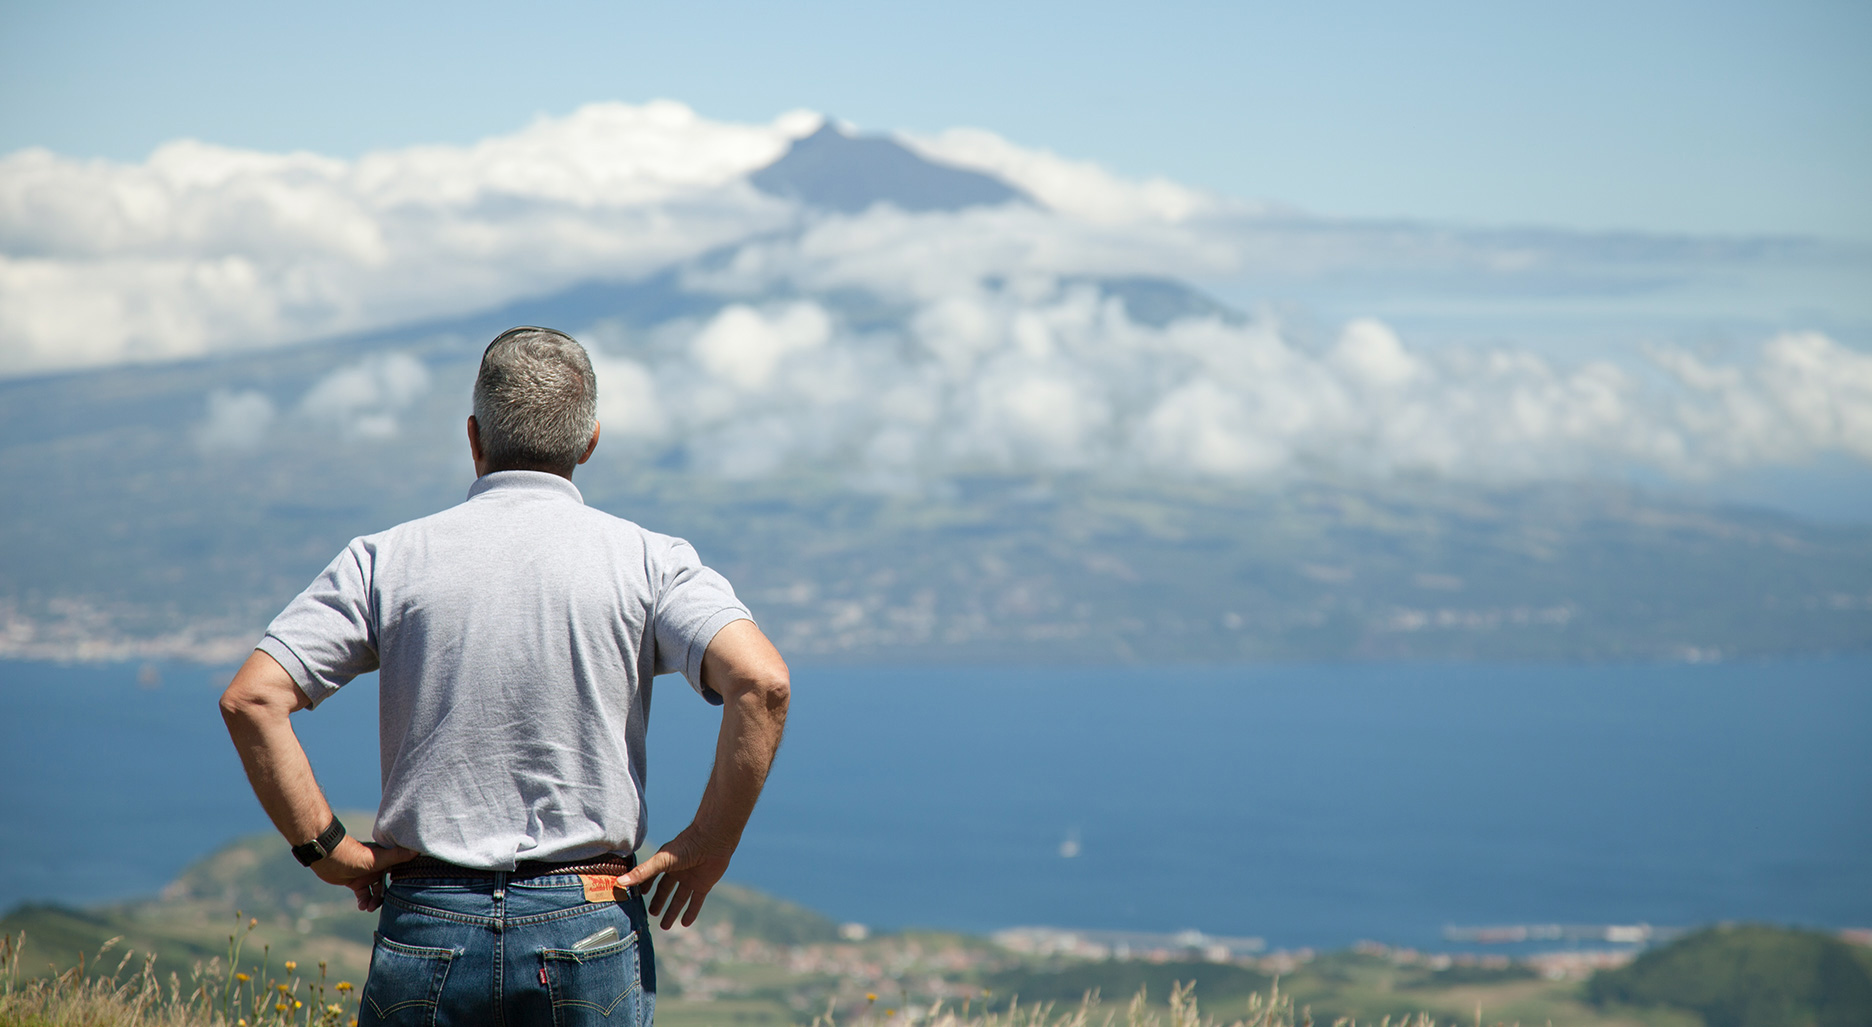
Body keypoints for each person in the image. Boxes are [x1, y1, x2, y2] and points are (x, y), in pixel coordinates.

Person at [219, 326, 789, 1027]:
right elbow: (762, 684)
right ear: (590, 441)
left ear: (473, 436)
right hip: (588, 917)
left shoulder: (386, 559)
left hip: (428, 915)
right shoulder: (651, 561)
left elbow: (252, 698)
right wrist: (711, 840)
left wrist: (328, 848)